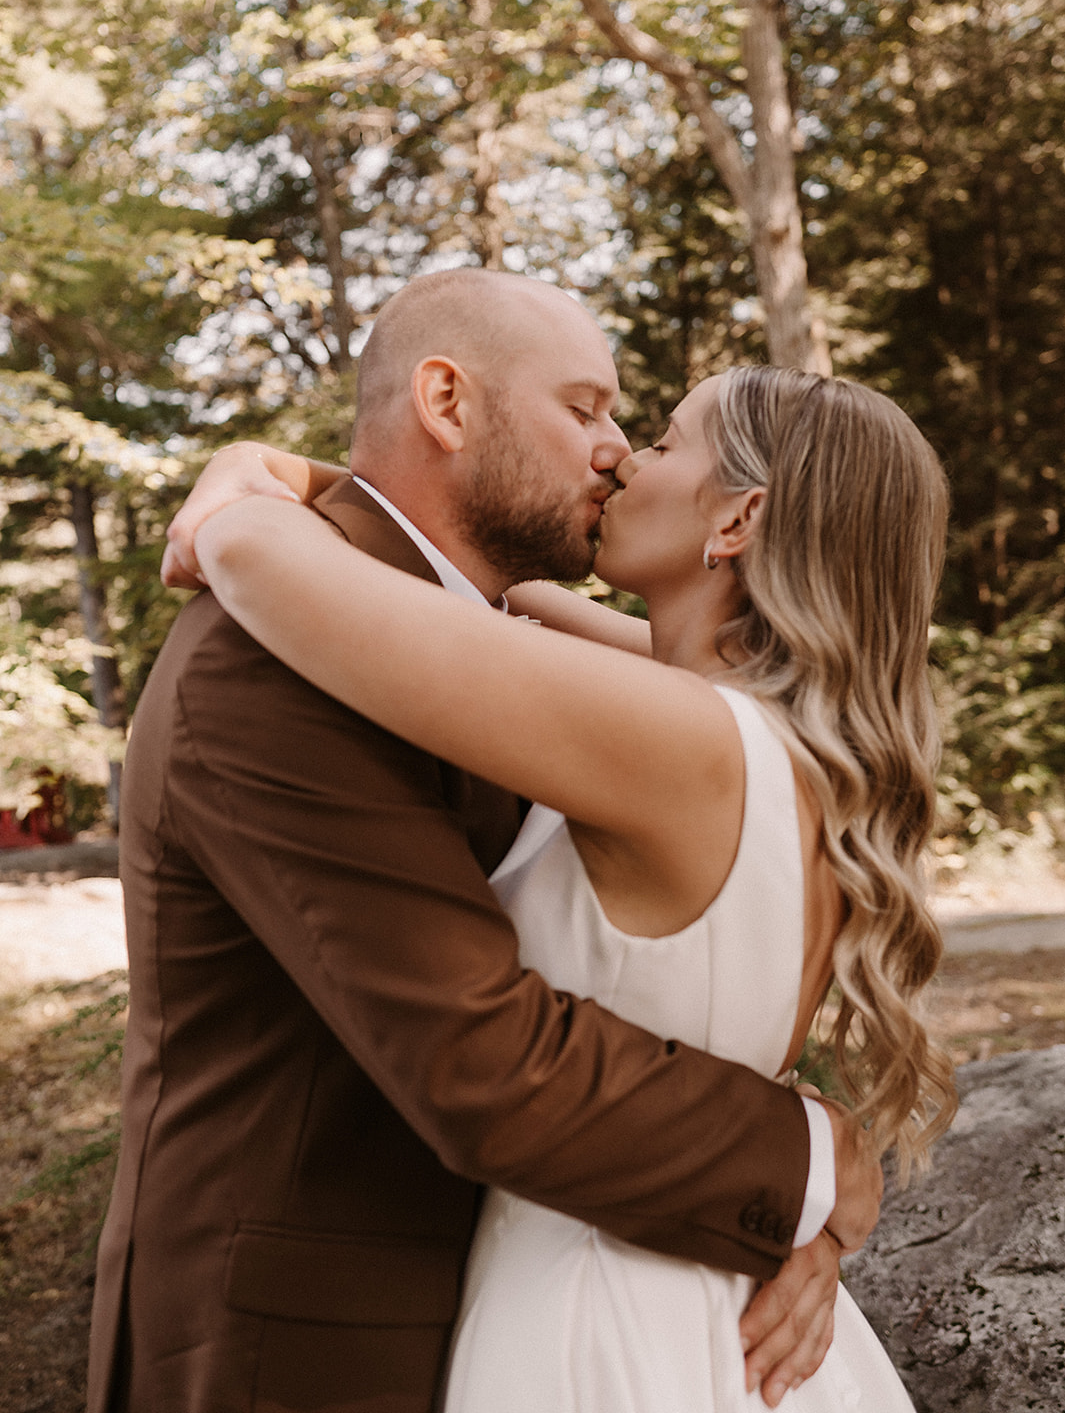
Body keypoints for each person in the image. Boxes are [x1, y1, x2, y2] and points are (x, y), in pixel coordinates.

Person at [88, 270, 881, 1413]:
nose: (614, 450)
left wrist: (264, 482)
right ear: (448, 403)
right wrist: (809, 1167)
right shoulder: (273, 655)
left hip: (554, 1300)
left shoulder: (491, 646)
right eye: (587, 408)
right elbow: (481, 1059)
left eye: (630, 424)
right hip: (301, 1354)